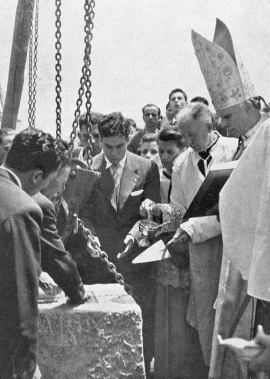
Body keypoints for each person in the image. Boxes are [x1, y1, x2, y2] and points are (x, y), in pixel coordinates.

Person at [191, 18, 270, 379]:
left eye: (226, 115)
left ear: (251, 103)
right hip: (237, 256)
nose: (221, 125)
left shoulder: (265, 137)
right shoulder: (244, 141)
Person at [141, 102, 238, 377]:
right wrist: (158, 214)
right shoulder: (183, 162)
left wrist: (196, 226)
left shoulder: (233, 150)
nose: (189, 142)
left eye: (193, 135)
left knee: (233, 317)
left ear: (209, 126)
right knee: (206, 321)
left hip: (230, 249)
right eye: (184, 136)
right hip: (201, 256)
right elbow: (180, 208)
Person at [70, 112, 160, 377]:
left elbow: (153, 214)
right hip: (99, 262)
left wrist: (135, 237)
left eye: (119, 146)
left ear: (128, 140)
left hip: (135, 260)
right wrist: (91, 237)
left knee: (140, 324)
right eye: (107, 147)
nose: (113, 153)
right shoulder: (88, 167)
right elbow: (81, 213)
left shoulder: (146, 168)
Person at [0, 129, 65, 378]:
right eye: (48, 181)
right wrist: (26, 367)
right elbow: (21, 303)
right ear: (37, 176)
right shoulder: (23, 209)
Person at [34, 141, 86, 303]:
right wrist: (78, 292)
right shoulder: (40, 205)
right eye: (61, 184)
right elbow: (55, 255)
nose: (60, 191)